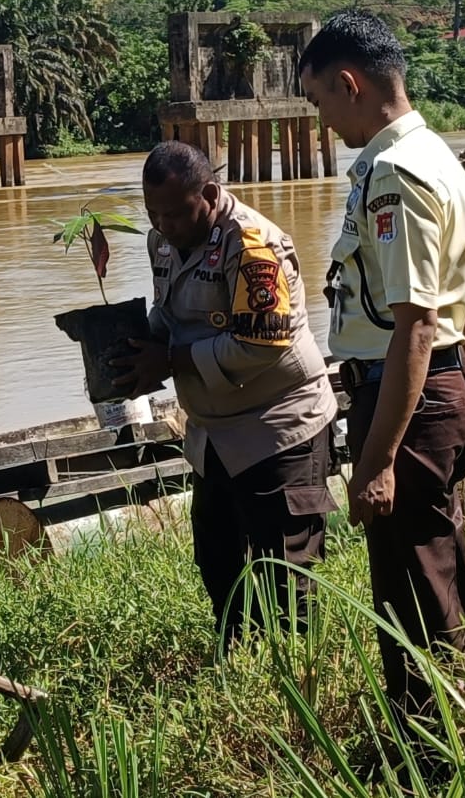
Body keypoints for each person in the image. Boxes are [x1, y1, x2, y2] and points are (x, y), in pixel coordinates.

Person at [298, 10, 465, 730]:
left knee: (410, 583)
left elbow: (415, 324)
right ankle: (448, 728)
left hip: (408, 397)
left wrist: (377, 460)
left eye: (319, 103)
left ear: (349, 83)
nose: (322, 122)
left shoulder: (396, 174)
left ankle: (431, 750)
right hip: (436, 388)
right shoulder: (433, 155)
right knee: (433, 566)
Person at [114, 140, 338, 649]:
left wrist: (169, 361)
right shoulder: (163, 240)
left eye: (174, 212)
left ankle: (301, 675)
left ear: (210, 193)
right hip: (215, 433)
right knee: (217, 559)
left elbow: (261, 342)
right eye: (153, 213)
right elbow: (169, 313)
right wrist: (140, 345)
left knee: (285, 567)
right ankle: (239, 663)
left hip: (279, 425)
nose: (163, 224)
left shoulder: (254, 245)